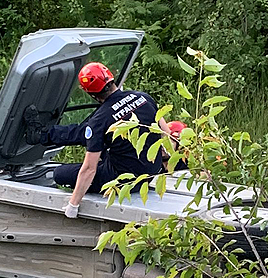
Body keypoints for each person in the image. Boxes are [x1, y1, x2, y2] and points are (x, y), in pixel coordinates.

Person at [24, 62, 169, 218]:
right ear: (112, 80)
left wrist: (73, 205)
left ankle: (41, 135)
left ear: (92, 95)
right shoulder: (143, 98)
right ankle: (41, 135)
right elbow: (166, 133)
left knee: (59, 174)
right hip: (149, 174)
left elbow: (89, 169)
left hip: (123, 181)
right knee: (89, 132)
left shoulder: (101, 119)